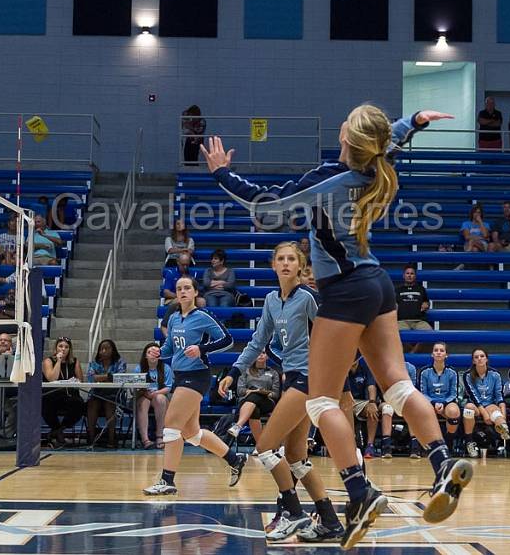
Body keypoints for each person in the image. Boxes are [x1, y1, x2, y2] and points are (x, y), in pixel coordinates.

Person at [201, 104, 471, 547]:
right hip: (378, 284)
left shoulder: (333, 176)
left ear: (348, 136)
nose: (340, 120)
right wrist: (414, 121)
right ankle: (442, 463)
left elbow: (268, 203)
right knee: (399, 388)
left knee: (320, 401)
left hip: (345, 291)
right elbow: (389, 140)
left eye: (346, 118)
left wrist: (222, 174)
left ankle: (360, 492)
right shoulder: (375, 166)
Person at [143, 276, 246, 496]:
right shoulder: (172, 319)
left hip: (197, 375)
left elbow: (227, 340)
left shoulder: (203, 316)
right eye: (179, 288)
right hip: (181, 375)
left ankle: (167, 480)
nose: (182, 292)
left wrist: (202, 348)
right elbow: (170, 347)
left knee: (171, 425)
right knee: (192, 433)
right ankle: (235, 459)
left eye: (187, 288)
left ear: (195, 292)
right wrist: (159, 352)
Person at [461, 348, 509, 458]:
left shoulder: (495, 374)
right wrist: (484, 413)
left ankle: (502, 430)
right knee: (468, 408)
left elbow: (499, 396)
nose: (479, 359)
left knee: (498, 415)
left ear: (486, 359)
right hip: (476, 406)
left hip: (490, 405)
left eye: (482, 356)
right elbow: (473, 396)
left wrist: (503, 413)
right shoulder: (467, 375)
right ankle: (469, 442)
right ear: (473, 361)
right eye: (476, 357)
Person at [227, 352, 281, 445]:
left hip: (266, 402)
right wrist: (253, 391)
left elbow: (275, 394)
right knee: (254, 409)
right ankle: (260, 446)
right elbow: (240, 391)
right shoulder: (245, 371)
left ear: (267, 356)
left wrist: (263, 392)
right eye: (258, 353)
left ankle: (238, 426)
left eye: (263, 353)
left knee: (255, 396)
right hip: (246, 401)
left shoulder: (273, 373)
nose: (260, 355)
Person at [419, 342, 462, 457]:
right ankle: (426, 445)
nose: (438, 352)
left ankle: (448, 444)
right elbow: (423, 393)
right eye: (436, 350)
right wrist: (433, 403)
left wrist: (443, 403)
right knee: (422, 411)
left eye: (441, 350)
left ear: (446, 355)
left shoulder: (452, 372)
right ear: (432, 354)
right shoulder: (425, 372)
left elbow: (454, 394)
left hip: (446, 402)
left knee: (454, 411)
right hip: (429, 402)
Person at [42, 337, 85, 449]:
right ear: (56, 348)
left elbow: (81, 380)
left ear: (70, 349)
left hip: (69, 395)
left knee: (79, 404)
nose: (63, 349)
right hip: (52, 395)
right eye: (60, 346)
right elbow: (52, 378)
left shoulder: (74, 361)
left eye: (66, 347)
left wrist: (75, 381)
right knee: (46, 404)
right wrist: (59, 361)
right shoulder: (48, 361)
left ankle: (58, 430)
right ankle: (57, 431)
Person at [85, 339, 127, 448]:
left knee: (109, 403)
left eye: (106, 348)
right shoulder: (94, 364)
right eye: (101, 349)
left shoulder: (120, 362)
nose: (103, 351)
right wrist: (108, 376)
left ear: (113, 350)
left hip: (114, 395)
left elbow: (119, 378)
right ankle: (91, 437)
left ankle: (111, 439)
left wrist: (101, 377)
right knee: (91, 404)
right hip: (97, 394)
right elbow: (90, 378)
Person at [134, 343, 172, 450]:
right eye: (150, 352)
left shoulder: (166, 368)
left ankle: (159, 436)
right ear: (145, 355)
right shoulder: (139, 369)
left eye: (156, 352)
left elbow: (168, 387)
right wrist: (145, 392)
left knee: (160, 399)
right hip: (144, 395)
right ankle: (145, 439)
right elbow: (135, 387)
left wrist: (155, 393)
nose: (153, 354)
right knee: (143, 403)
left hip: (158, 394)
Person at [347, 358, 381, 459]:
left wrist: (372, 402)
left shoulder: (365, 368)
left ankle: (370, 445)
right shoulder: (341, 368)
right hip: (344, 400)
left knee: (372, 410)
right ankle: (348, 445)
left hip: (361, 401)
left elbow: (371, 386)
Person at [396, 264, 431, 339]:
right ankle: (412, 350)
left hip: (419, 321)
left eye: (412, 273)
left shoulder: (421, 289)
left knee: (430, 335)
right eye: (407, 273)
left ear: (415, 276)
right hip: (402, 321)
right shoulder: (397, 290)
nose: (409, 275)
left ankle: (413, 351)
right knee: (396, 335)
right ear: (403, 275)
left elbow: (427, 302)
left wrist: (426, 304)